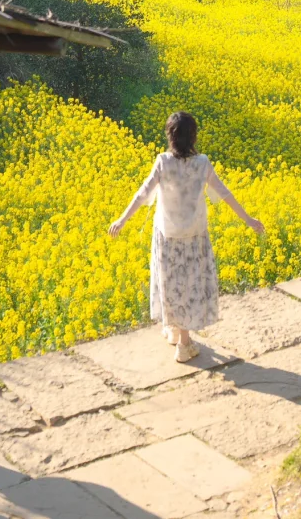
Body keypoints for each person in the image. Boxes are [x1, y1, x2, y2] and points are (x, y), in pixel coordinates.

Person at [108, 111, 265, 363]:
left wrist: (122, 220)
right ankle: (182, 340)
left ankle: (179, 337)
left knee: (171, 283)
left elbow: (142, 194)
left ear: (170, 136)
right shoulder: (202, 163)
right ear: (193, 137)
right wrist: (248, 220)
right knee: (190, 285)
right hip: (194, 236)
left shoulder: (162, 162)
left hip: (168, 236)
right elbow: (224, 193)